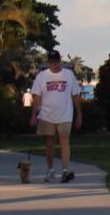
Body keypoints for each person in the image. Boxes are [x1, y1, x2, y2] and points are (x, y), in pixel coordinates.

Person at [30, 49, 82, 183]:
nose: (54, 65)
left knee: (65, 141)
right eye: (52, 62)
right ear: (48, 62)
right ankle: (50, 169)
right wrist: (33, 115)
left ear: (60, 61)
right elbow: (36, 96)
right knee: (49, 143)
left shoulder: (68, 75)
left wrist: (79, 114)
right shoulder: (42, 76)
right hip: (47, 115)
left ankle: (65, 170)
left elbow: (75, 95)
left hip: (65, 115)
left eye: (56, 62)